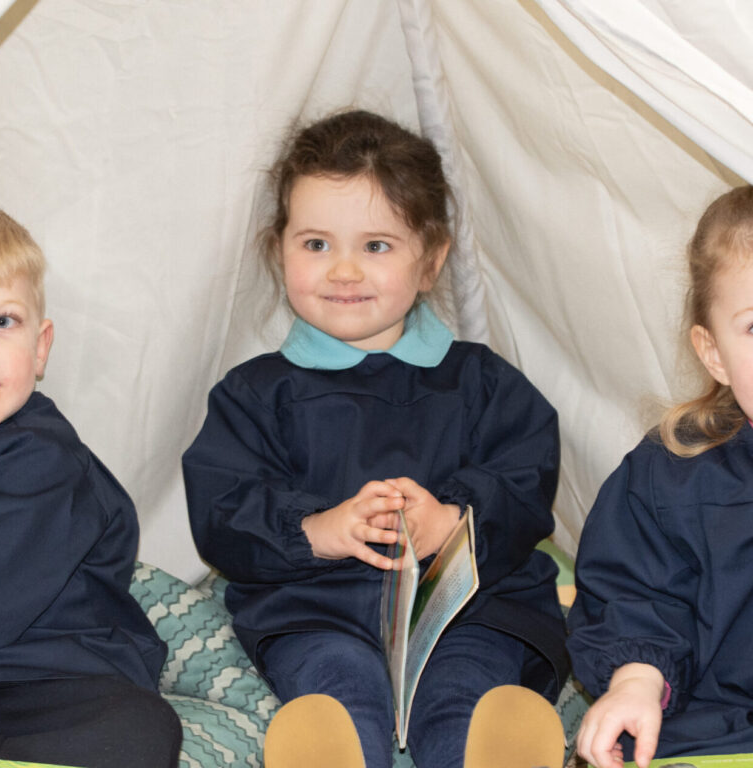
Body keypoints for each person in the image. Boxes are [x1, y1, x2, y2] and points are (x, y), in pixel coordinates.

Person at [183, 110, 569, 768]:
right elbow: (223, 509)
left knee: (465, 691)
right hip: (318, 610)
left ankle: (485, 744)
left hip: (466, 613)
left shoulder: (482, 383)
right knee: (338, 687)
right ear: (279, 247)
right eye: (316, 244)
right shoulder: (255, 393)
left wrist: (454, 519)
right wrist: (314, 529)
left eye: (376, 246)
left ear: (432, 260)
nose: (343, 271)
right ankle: (335, 747)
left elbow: (527, 480)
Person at [0, 206, 182, 767]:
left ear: (41, 346)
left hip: (50, 680)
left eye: (3, 321)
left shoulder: (41, 460)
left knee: (135, 730)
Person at [567, 185, 753, 768]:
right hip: (709, 734)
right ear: (714, 351)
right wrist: (637, 683)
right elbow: (638, 595)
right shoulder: (671, 474)